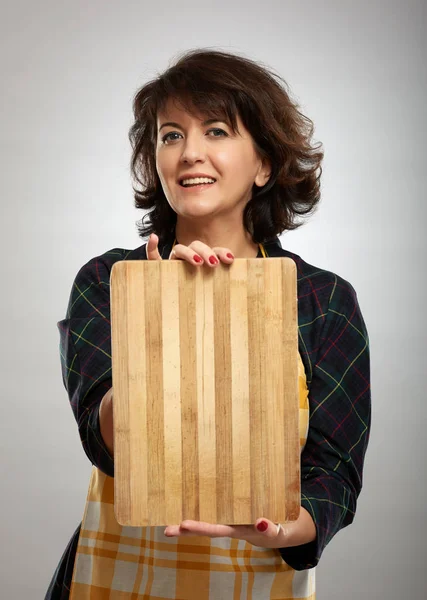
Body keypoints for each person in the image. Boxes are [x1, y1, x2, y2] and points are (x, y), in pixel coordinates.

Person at [46, 48, 371, 600]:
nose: (190, 152)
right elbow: (102, 439)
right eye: (171, 135)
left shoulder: (323, 300)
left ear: (264, 163)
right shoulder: (109, 280)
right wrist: (160, 320)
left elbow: (334, 477)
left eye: (216, 130)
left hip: (257, 581)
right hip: (113, 580)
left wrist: (276, 529)